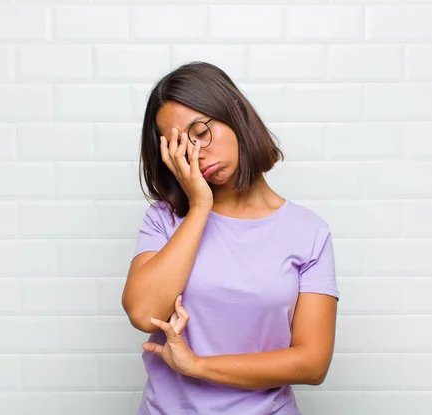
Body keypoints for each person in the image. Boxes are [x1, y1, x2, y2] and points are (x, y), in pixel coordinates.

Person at [122, 61, 339, 415]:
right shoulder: (165, 220)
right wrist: (200, 206)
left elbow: (313, 363)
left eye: (200, 131)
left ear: (234, 110)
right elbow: (145, 314)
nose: (196, 152)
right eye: (179, 145)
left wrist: (197, 366)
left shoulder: (308, 231)